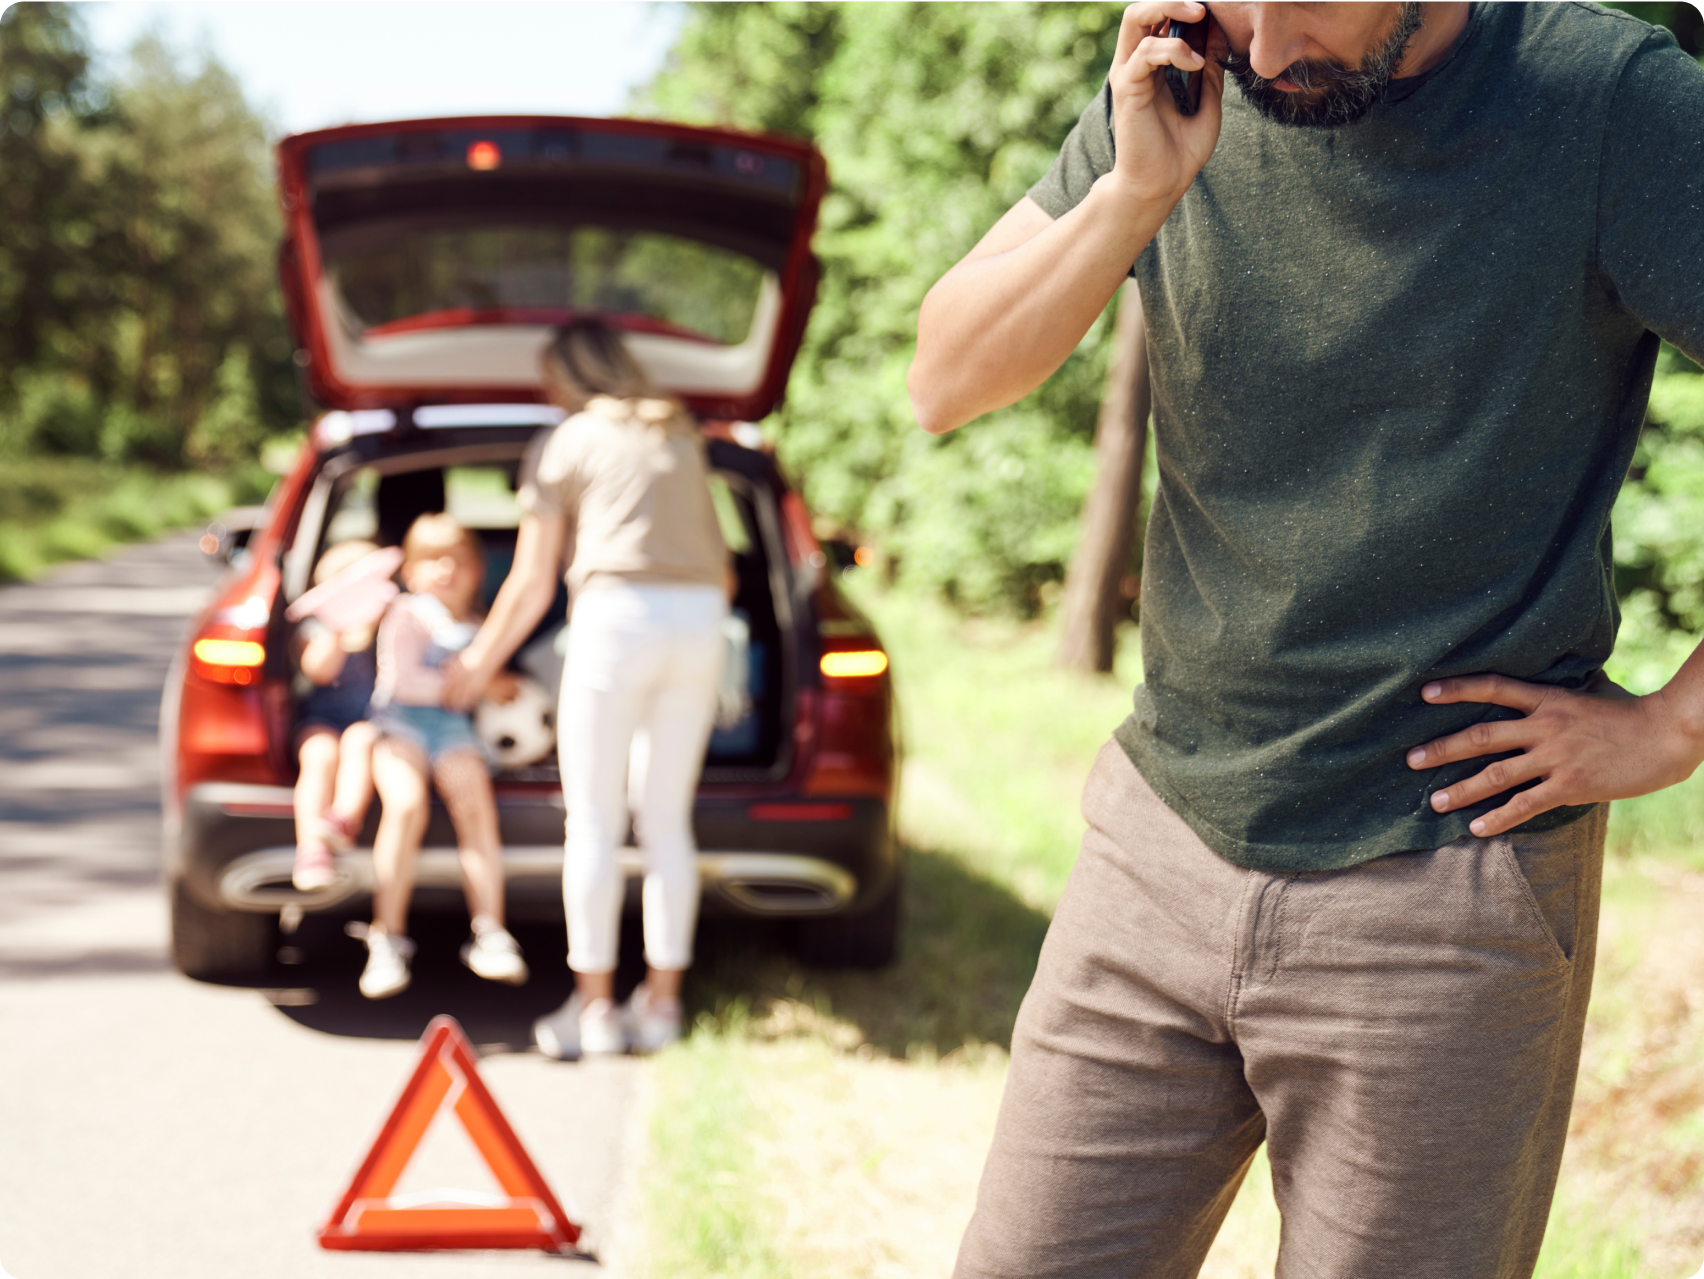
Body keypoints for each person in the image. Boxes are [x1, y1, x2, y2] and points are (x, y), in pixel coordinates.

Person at [908, 2, 1704, 1275]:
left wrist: (1673, 725)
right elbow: (945, 378)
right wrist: (1133, 196)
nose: (1269, 53)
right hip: (1156, 844)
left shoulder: (1607, 100)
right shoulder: (1171, 90)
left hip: (1446, 885)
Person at [444, 319, 730, 1058]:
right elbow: (726, 568)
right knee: (665, 820)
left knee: (595, 822)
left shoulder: (568, 440)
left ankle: (595, 1011)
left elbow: (532, 581)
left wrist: (476, 662)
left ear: (570, 375)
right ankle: (661, 1008)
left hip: (618, 618)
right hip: (701, 622)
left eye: (549, 376)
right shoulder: (679, 433)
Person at [353, 512, 528, 999]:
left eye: (458, 560)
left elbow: (497, 685)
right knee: (405, 805)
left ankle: (490, 931)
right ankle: (387, 937)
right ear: (411, 572)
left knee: (475, 806)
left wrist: (490, 685)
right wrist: (471, 686)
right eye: (433, 560)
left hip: (453, 730)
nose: (446, 569)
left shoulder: (480, 626)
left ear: (478, 571)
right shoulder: (406, 613)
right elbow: (402, 681)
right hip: (398, 726)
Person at [290, 540, 380, 892]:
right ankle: (311, 851)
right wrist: (339, 627)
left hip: (368, 720)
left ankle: (343, 820)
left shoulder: (387, 622)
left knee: (361, 741)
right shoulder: (316, 628)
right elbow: (319, 672)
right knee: (319, 755)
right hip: (321, 720)